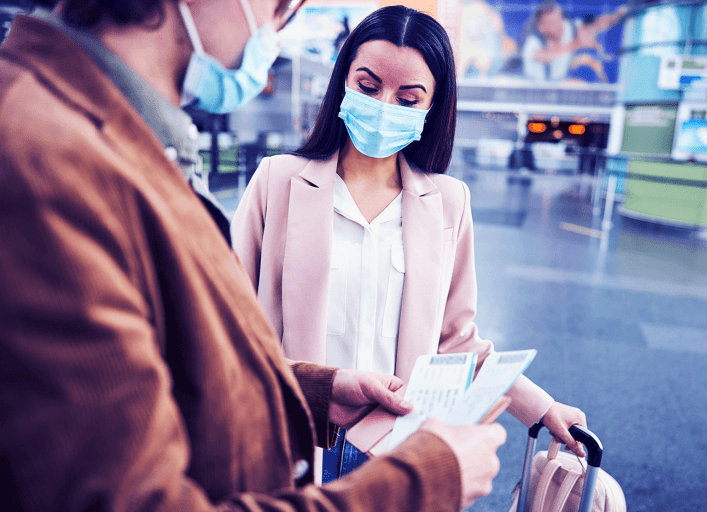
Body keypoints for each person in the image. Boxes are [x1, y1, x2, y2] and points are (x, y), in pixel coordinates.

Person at [0, 1, 510, 511]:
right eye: (278, 5)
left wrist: (315, 390)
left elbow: (179, 358)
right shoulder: (45, 154)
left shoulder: (123, 137)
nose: (277, 27)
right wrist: (424, 481)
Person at [230, 5, 588, 484]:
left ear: (432, 107)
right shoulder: (277, 182)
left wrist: (542, 408)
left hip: (394, 447)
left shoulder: (448, 203)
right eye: (368, 86)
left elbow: (457, 342)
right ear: (343, 82)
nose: (384, 106)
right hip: (293, 436)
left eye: (408, 98)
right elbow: (228, 320)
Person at [521, 0, 627, 83]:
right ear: (541, 27)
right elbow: (543, 56)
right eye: (552, 23)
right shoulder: (533, 41)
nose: (559, 26)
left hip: (562, 89)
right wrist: (577, 44)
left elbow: (596, 24)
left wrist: (617, 16)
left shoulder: (569, 27)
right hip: (535, 93)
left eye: (560, 19)